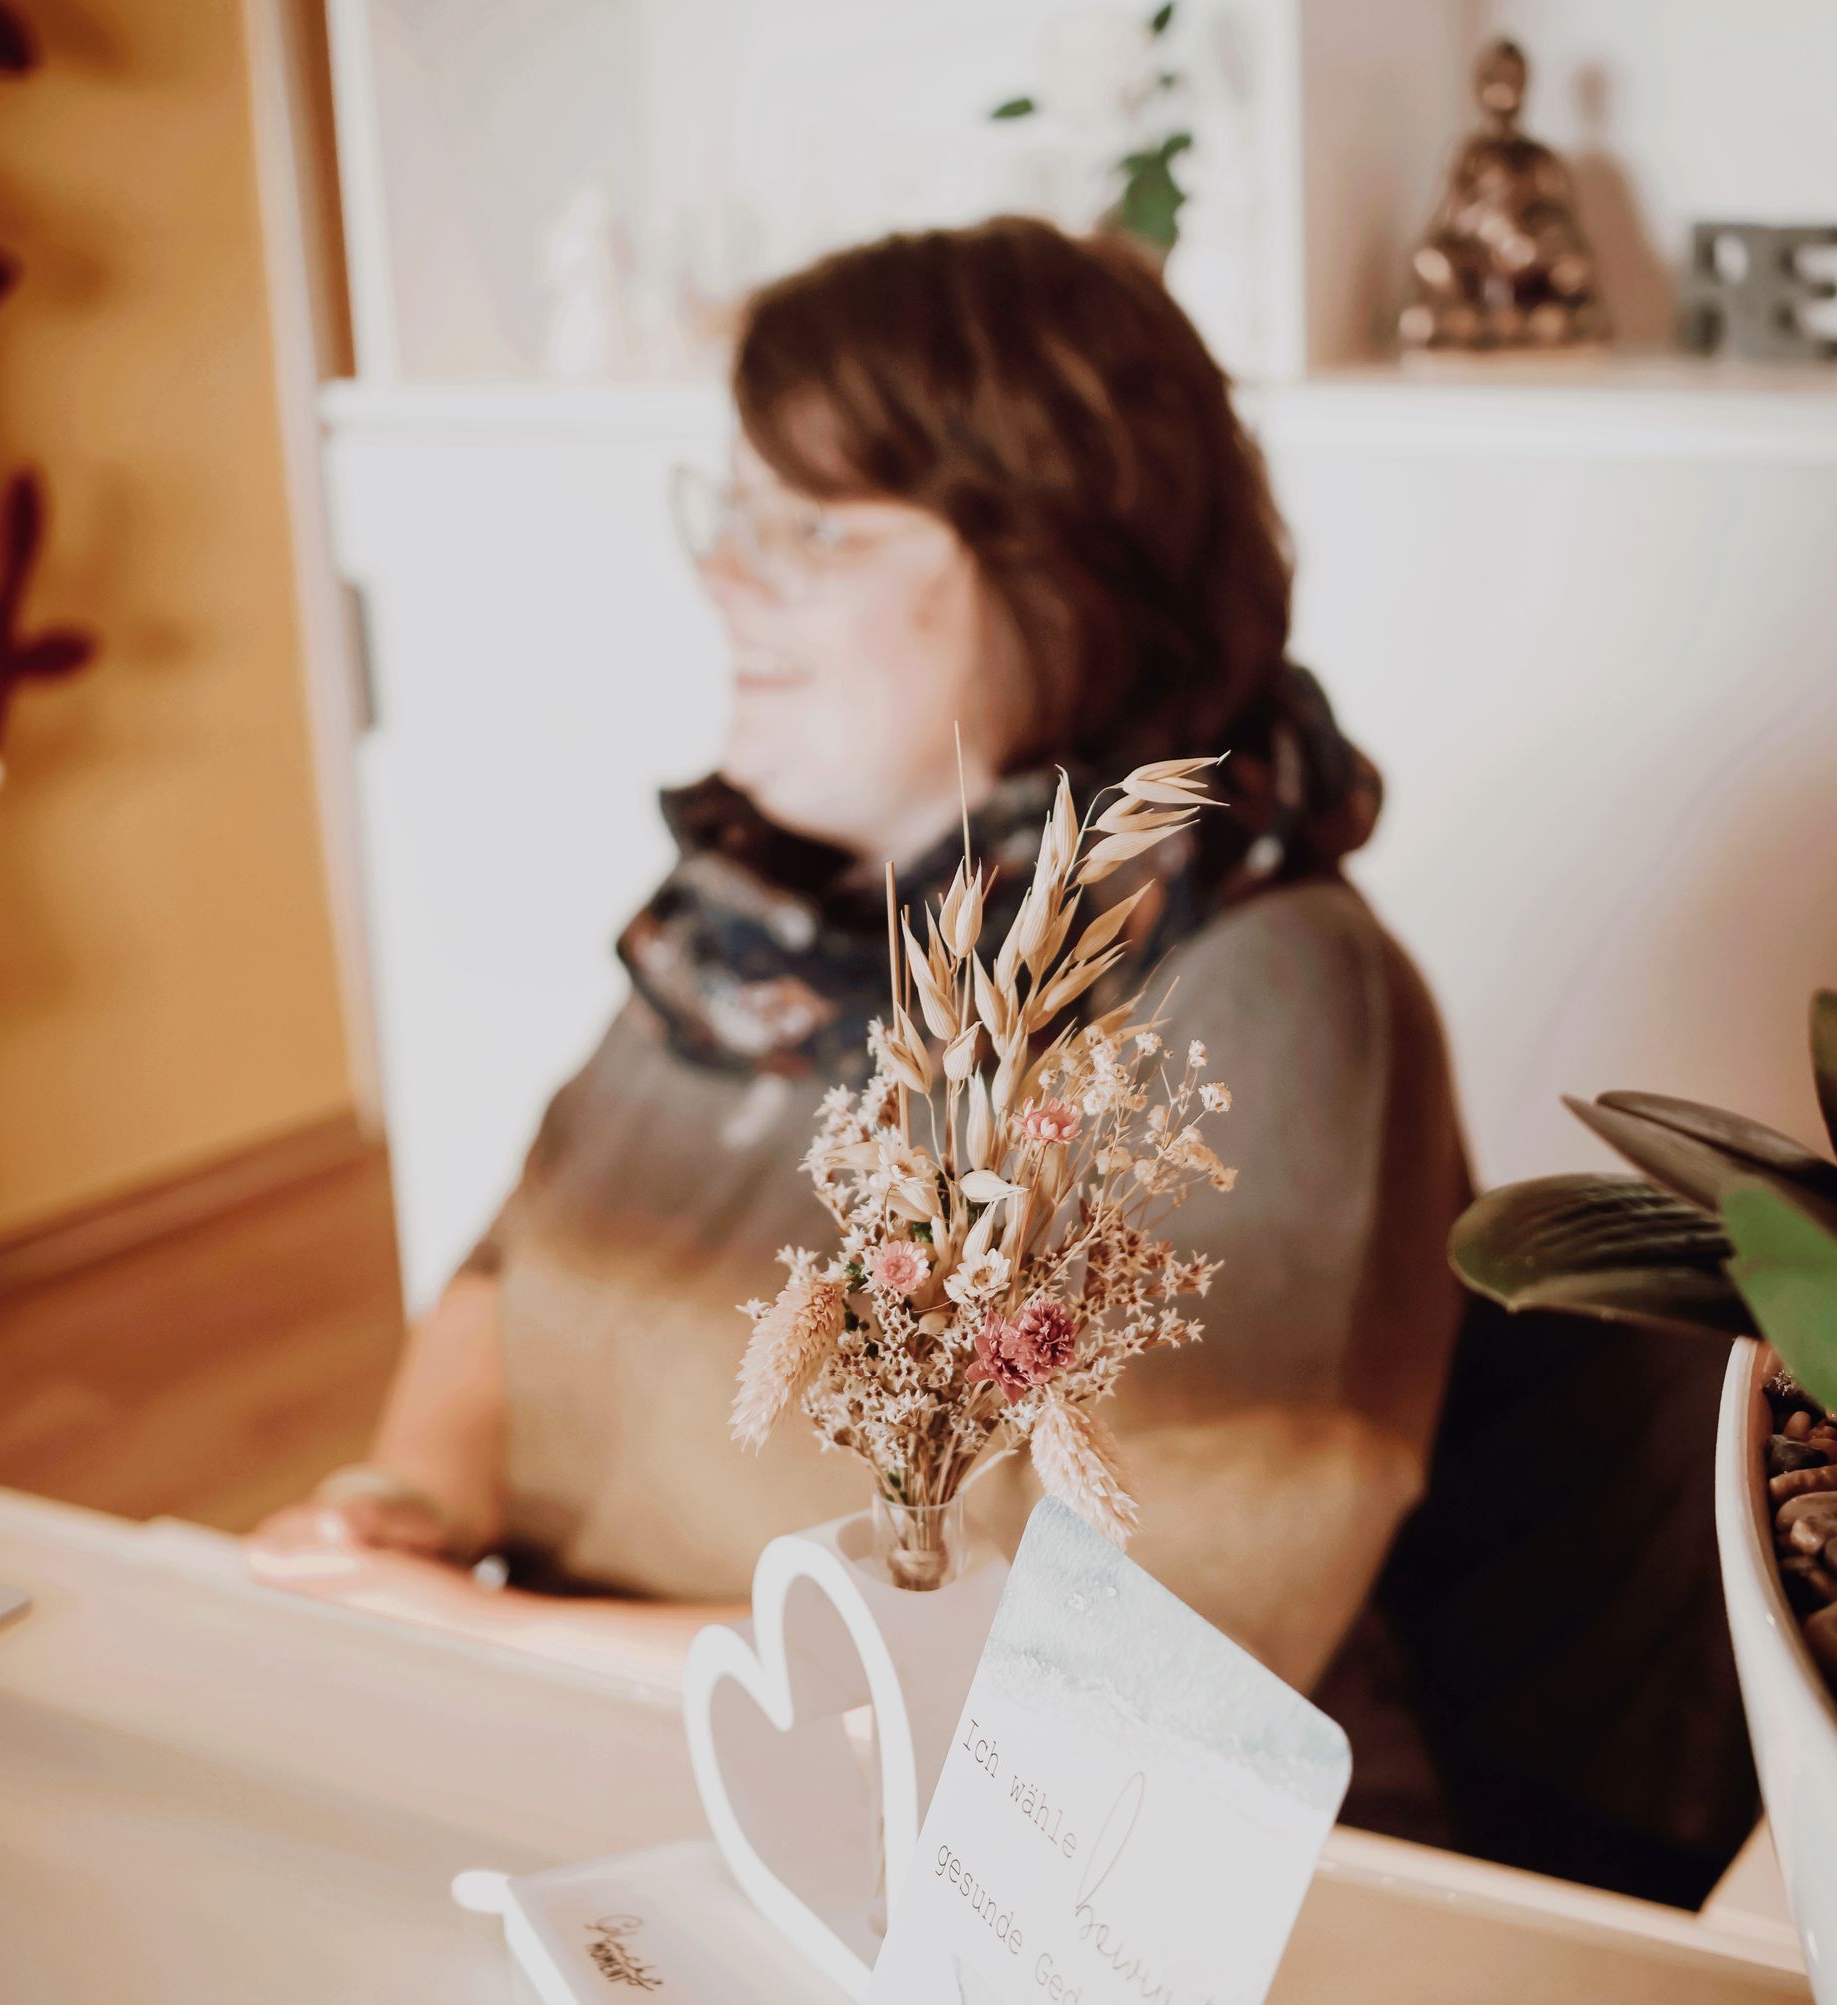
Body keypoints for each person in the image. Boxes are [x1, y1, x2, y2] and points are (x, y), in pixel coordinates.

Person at [254, 216, 1470, 1835]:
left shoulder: (1277, 1001)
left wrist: (489, 1641)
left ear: (1060, 570)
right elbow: (520, 1259)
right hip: (629, 1770)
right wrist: (392, 1513)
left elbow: (1153, 1686)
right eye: (732, 509)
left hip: (1053, 1884)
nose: (721, 572)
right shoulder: (768, 924)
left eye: (814, 531)